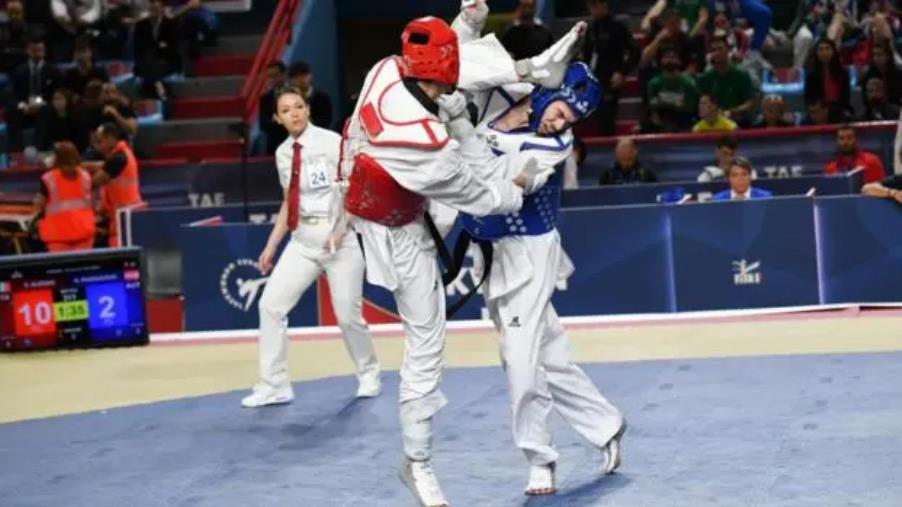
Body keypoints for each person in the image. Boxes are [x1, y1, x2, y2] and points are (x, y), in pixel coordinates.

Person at [341, 13, 581, 506]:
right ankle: (418, 461)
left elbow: (448, 70)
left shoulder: (386, 69)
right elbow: (478, 193)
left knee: (457, 108)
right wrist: (515, 190)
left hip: (370, 189)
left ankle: (529, 67)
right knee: (426, 343)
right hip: (398, 228)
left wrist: (466, 30)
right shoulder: (422, 144)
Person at [450, 6, 626, 495]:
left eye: (571, 117)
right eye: (562, 109)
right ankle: (606, 425)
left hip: (530, 249)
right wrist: (466, 20)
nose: (561, 122)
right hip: (495, 250)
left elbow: (507, 180)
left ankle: (540, 458)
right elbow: (457, 64)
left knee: (519, 356)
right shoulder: (499, 94)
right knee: (549, 353)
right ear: (549, 92)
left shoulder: (556, 147)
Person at [240, 85, 381, 408]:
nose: (295, 113)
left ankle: (369, 372)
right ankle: (274, 384)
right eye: (287, 110)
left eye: (299, 106)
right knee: (270, 306)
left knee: (348, 315)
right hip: (302, 241)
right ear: (277, 119)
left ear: (308, 109)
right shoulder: (283, 154)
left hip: (340, 243)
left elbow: (355, 191)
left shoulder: (333, 144)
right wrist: (271, 245)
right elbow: (289, 201)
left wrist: (342, 228)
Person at [581, 0, 640, 135]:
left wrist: (621, 72)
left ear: (604, 5)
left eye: (597, 4)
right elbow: (586, 56)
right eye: (592, 5)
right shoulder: (589, 29)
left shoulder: (617, 27)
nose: (594, 8)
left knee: (606, 116)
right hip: (593, 79)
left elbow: (635, 53)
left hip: (611, 80)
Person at [88, 123, 143, 247]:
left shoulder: (118, 159)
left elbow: (94, 181)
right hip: (124, 216)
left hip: (123, 220)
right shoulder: (123, 153)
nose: (97, 146)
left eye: (100, 141)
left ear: (111, 138)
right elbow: (101, 165)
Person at [34, 141, 96, 252]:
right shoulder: (86, 176)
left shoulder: (49, 179)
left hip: (59, 237)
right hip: (82, 235)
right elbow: (93, 203)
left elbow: (39, 205)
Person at [6, 37, 63, 151]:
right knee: (11, 112)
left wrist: (40, 105)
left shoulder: (54, 71)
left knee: (47, 110)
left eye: (40, 51)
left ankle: (40, 149)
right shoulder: (19, 71)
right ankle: (17, 151)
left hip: (45, 107)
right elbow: (14, 95)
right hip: (25, 107)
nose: (37, 54)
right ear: (28, 51)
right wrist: (23, 106)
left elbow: (58, 95)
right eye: (34, 51)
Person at [696, 36, 755, 127]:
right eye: (713, 50)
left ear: (728, 51)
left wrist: (731, 112)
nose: (717, 53)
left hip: (737, 118)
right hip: (712, 118)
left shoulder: (741, 74)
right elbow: (702, 103)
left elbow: (749, 102)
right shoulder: (705, 77)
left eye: (720, 49)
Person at [133, 0, 180, 100]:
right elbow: (138, 47)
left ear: (162, 9)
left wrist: (159, 47)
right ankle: (161, 90)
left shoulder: (170, 24)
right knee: (149, 57)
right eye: (151, 9)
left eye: (156, 9)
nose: (153, 11)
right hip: (145, 60)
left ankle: (151, 89)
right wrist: (159, 45)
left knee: (153, 64)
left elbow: (173, 47)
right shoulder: (141, 25)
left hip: (166, 59)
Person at [804, 38, 852, 120]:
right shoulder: (811, 75)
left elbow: (845, 97)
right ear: (817, 53)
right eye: (821, 49)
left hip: (839, 109)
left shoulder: (843, 73)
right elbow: (809, 98)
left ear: (833, 51)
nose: (824, 52)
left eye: (827, 48)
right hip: (819, 110)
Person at [287, 61, 333, 131]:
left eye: (304, 75)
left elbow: (326, 121)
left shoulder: (322, 97)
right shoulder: (286, 100)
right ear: (290, 80)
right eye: (296, 77)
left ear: (310, 76)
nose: (300, 79)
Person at [259, 61, 288, 154]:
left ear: (284, 75)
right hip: (274, 145)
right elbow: (263, 124)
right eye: (270, 76)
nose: (272, 79)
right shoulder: (265, 99)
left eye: (276, 75)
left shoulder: (296, 94)